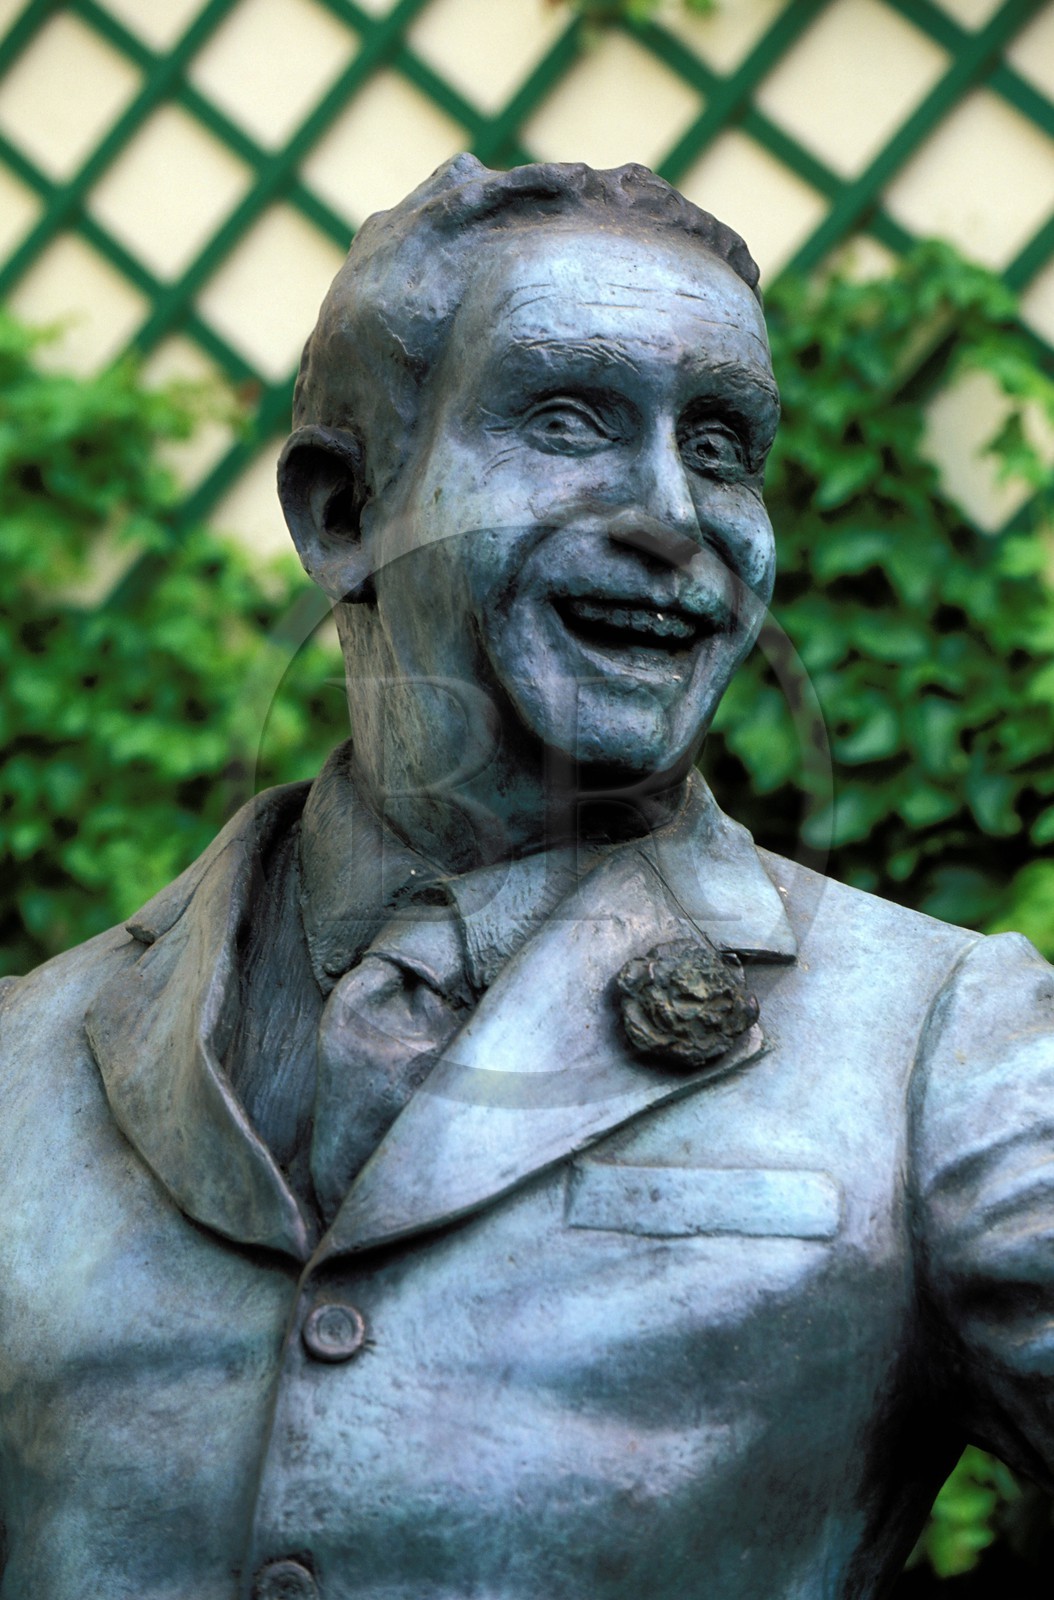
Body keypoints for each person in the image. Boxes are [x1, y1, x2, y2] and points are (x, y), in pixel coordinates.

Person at [0, 154, 1051, 1600]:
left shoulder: (948, 1048)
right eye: (567, 419)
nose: (672, 513)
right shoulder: (25, 1062)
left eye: (726, 447)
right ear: (342, 511)